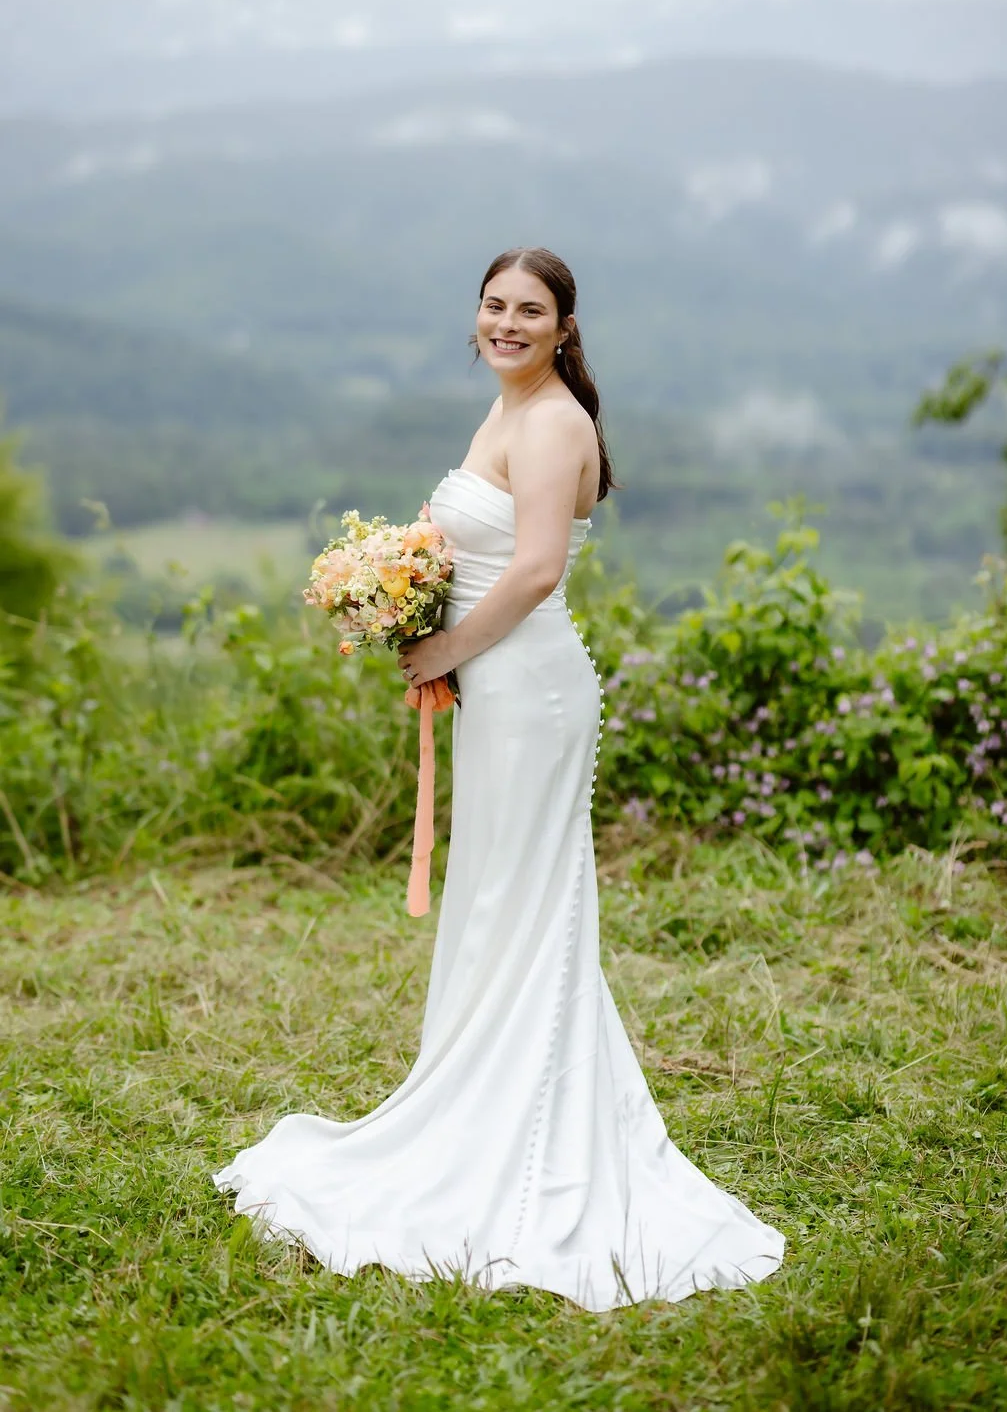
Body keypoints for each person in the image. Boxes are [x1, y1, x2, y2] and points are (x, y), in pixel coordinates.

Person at [213, 246, 785, 1311]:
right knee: (493, 899)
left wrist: (442, 647)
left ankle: (515, 1125)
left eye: (529, 310)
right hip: (498, 679)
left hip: (529, 687)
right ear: (475, 317)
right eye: (493, 306)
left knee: (524, 903)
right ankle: (474, 1092)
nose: (507, 323)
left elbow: (534, 568)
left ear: (564, 327)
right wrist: (391, 583)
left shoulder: (557, 417)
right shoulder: (503, 408)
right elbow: (473, 541)